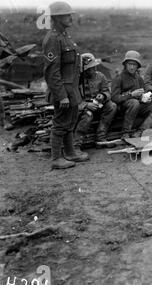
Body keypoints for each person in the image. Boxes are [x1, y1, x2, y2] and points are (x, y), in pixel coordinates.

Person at [43, 1, 89, 170]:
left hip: (71, 89)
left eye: (70, 14)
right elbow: (51, 72)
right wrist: (61, 95)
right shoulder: (53, 39)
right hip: (62, 90)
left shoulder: (64, 36)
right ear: (56, 18)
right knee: (60, 123)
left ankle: (70, 153)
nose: (70, 18)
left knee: (70, 121)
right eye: (66, 15)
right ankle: (56, 158)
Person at [111, 50, 152, 139]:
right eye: (129, 64)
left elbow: (143, 92)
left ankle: (141, 131)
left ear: (137, 66)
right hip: (123, 107)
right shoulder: (119, 78)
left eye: (134, 65)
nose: (132, 67)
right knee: (134, 102)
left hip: (137, 105)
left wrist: (145, 98)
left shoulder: (138, 78)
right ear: (125, 65)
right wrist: (131, 95)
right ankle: (125, 133)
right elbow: (114, 98)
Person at [74, 53, 117, 149]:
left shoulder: (100, 76)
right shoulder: (77, 80)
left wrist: (103, 96)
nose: (93, 70)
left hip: (99, 105)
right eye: (90, 68)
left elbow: (106, 91)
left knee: (112, 106)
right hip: (83, 109)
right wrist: (85, 105)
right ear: (84, 69)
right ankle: (76, 144)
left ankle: (101, 138)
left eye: (94, 67)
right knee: (88, 115)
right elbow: (74, 98)